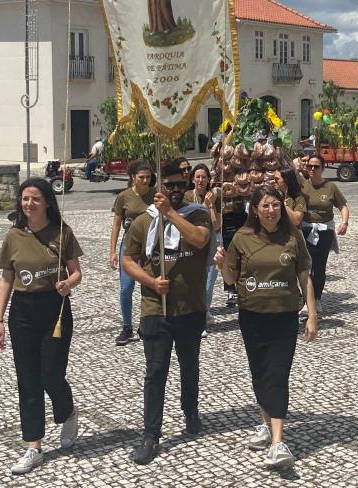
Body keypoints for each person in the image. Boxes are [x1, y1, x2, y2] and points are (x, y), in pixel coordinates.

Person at [214, 185, 318, 469]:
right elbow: (231, 277)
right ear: (255, 210)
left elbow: (304, 277)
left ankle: (278, 442)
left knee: (278, 374)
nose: (271, 211)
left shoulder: (292, 237)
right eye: (265, 206)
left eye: (275, 205)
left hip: (284, 316)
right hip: (252, 316)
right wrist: (222, 264)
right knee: (260, 373)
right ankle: (265, 424)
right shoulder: (242, 238)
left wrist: (311, 314)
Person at [122, 160, 212, 465]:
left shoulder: (196, 213)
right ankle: (151, 434)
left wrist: (171, 214)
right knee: (155, 371)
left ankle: (190, 411)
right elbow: (128, 260)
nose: (175, 190)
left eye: (179, 184)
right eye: (169, 185)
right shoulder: (143, 222)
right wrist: (150, 281)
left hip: (190, 307)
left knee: (189, 365)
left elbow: (200, 240)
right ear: (159, 186)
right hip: (155, 308)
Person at [0, 177, 83, 475]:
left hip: (54, 310)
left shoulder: (62, 232)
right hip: (23, 311)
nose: (28, 203)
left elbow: (77, 272)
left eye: (34, 198)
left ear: (47, 202)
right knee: (28, 379)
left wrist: (68, 283)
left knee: (51, 375)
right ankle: (33, 446)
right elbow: (7, 278)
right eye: (24, 198)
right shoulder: (14, 236)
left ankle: (67, 410)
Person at [109, 161, 155, 346]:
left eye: (148, 177)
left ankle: (146, 323)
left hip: (150, 247)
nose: (145, 181)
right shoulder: (123, 197)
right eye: (141, 177)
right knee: (126, 288)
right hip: (129, 247)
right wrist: (112, 251)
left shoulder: (155, 194)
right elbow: (116, 224)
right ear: (133, 177)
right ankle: (127, 326)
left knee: (149, 286)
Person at [300, 154, 349, 318]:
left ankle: (317, 298)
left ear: (322, 168)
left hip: (324, 231)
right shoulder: (302, 185)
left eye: (316, 166)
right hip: (306, 229)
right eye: (309, 166)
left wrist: (344, 222)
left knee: (319, 266)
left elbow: (343, 206)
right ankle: (307, 300)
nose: (312, 169)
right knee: (305, 266)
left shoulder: (330, 187)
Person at [186, 163, 221, 334]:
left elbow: (216, 224)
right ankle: (197, 315)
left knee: (208, 283)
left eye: (204, 177)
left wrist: (211, 206)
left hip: (211, 242)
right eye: (198, 177)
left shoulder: (214, 196)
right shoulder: (186, 197)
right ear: (192, 179)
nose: (200, 180)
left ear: (209, 180)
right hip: (192, 244)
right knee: (193, 282)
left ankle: (204, 312)